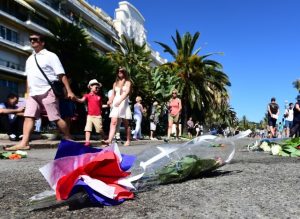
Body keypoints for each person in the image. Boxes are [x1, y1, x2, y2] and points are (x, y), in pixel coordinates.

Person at [4, 33, 75, 151]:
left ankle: (68, 137)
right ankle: (24, 143)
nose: (32, 41)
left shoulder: (51, 56)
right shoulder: (30, 59)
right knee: (28, 117)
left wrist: (69, 91)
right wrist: (27, 93)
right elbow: (28, 77)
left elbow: (61, 74)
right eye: (30, 39)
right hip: (33, 93)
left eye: (35, 40)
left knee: (55, 118)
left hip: (48, 90)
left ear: (42, 42)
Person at [105, 67, 132, 146]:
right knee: (113, 122)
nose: (120, 72)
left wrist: (120, 101)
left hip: (123, 103)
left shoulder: (128, 82)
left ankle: (128, 140)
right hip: (116, 103)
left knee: (126, 123)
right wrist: (110, 100)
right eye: (118, 71)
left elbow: (126, 93)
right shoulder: (115, 83)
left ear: (124, 72)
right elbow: (113, 94)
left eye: (122, 71)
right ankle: (109, 139)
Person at [74, 79, 105, 146]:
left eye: (98, 87)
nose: (97, 88)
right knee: (87, 129)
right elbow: (81, 100)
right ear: (90, 86)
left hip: (97, 116)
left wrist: (108, 105)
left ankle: (104, 138)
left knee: (99, 129)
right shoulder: (87, 95)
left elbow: (101, 106)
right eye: (96, 86)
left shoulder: (99, 97)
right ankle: (87, 141)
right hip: (90, 115)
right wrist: (76, 98)